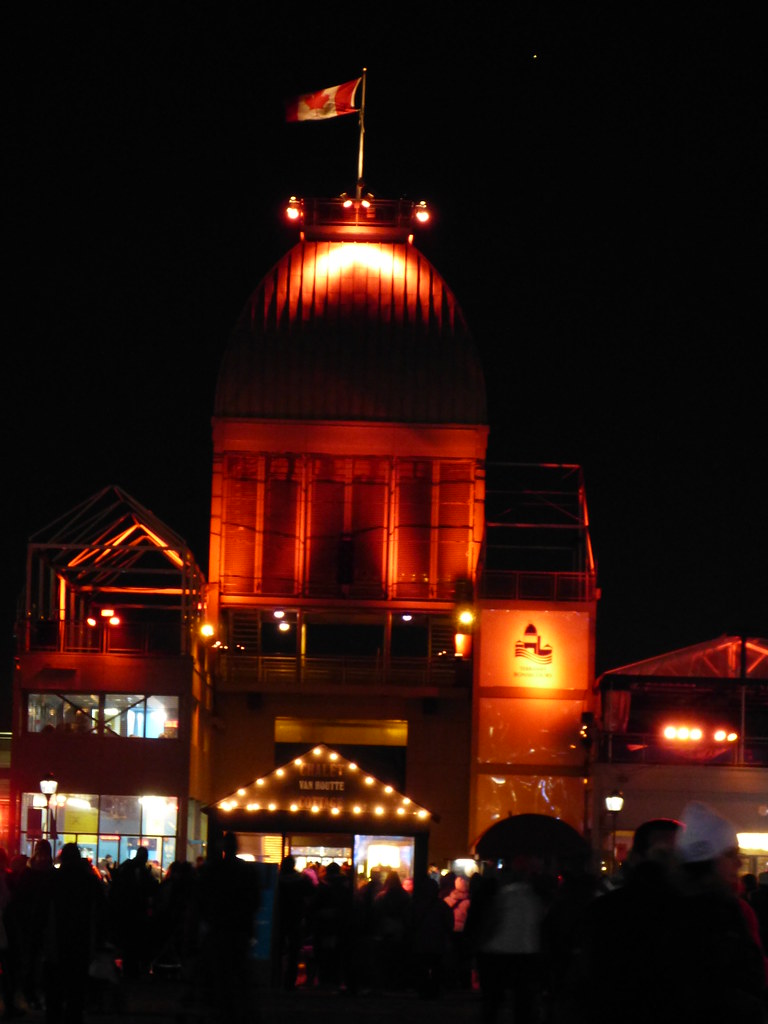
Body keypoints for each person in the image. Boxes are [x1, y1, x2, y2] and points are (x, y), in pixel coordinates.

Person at [573, 818, 683, 1024]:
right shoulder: (607, 905)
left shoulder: (690, 906)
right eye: (664, 855)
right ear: (639, 857)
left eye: (680, 855)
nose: (673, 862)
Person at [672, 801, 767, 1023]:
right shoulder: (715, 914)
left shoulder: (723, 907)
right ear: (709, 859)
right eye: (730, 854)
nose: (739, 862)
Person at [471, 856, 546, 1024]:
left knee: (493, 1000)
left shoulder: (502, 896)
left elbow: (492, 923)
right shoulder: (534, 898)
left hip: (497, 952)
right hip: (527, 952)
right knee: (523, 1002)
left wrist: (479, 944)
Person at [43, 843, 106, 1024]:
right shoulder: (89, 881)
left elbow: (43, 911)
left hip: (56, 940)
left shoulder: (53, 879)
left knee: (55, 990)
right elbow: (101, 911)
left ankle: (54, 1017)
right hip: (81, 941)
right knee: (76, 990)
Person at [275, 854, 314, 991]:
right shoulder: (301, 880)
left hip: (279, 919)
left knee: (278, 950)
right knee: (294, 952)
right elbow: (311, 896)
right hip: (296, 919)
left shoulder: (277, 880)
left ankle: (276, 979)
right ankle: (289, 982)